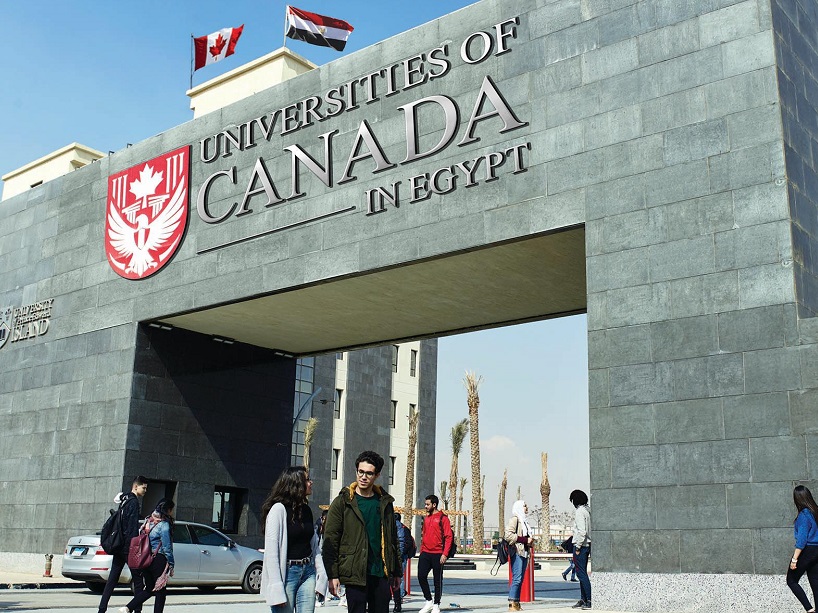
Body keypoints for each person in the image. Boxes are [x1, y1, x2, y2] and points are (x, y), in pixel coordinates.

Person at [322, 450, 402, 613]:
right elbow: (331, 540)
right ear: (356, 471)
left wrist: (397, 572)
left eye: (369, 473)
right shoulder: (342, 502)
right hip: (355, 572)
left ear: (377, 475)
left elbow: (393, 539)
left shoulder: (384, 503)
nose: (363, 477)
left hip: (381, 572)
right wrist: (332, 575)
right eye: (361, 472)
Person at [261, 466, 326, 613]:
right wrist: (277, 587)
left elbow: (314, 547)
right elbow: (271, 554)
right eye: (308, 480)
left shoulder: (307, 510)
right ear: (297, 484)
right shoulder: (278, 510)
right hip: (288, 573)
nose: (311, 483)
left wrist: (321, 574)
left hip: (308, 571)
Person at [98, 476, 147, 613]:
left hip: (118, 545)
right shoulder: (133, 502)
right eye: (143, 488)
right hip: (127, 547)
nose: (145, 491)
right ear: (136, 487)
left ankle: (102, 609)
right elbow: (131, 528)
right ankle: (137, 610)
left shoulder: (124, 500)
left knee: (112, 579)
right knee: (138, 581)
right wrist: (134, 547)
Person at [118, 498, 175, 613]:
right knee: (160, 592)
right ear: (168, 510)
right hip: (158, 559)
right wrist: (171, 563)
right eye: (171, 510)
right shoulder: (164, 525)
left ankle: (128, 607)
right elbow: (167, 547)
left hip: (145, 558)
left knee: (149, 588)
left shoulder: (148, 521)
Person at [417, 494, 453, 613]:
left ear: (434, 505)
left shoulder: (443, 518)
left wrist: (444, 554)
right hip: (425, 553)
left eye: (427, 504)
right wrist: (422, 551)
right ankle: (428, 601)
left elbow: (448, 537)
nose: (425, 506)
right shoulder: (426, 518)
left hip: (438, 554)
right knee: (421, 576)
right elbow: (424, 535)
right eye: (425, 504)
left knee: (437, 580)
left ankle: (437, 604)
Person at [788, 485, 818, 612]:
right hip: (817, 551)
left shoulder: (804, 516)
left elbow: (801, 541)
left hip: (808, 551)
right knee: (815, 582)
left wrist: (795, 559)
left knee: (791, 580)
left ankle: (809, 609)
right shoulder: (815, 512)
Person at [505, 500, 535, 611]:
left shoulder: (524, 521)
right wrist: (525, 539)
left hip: (525, 552)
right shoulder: (515, 519)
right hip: (517, 552)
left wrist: (529, 541)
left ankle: (516, 603)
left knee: (520, 579)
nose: (526, 507)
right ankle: (512, 603)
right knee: (517, 579)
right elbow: (508, 535)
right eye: (524, 505)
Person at [569, 490, 591, 610]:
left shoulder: (579, 512)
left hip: (580, 546)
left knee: (581, 574)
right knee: (581, 573)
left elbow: (582, 531)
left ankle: (589, 599)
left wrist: (577, 546)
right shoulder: (587, 511)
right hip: (587, 545)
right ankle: (583, 599)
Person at [393, 512, 407, 611]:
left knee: (396, 580)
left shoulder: (396, 525)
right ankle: (398, 603)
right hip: (393, 555)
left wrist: (399, 556)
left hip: (393, 556)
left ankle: (398, 602)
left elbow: (401, 541)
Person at [315, 510, 329, 607]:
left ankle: (321, 598)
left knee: (324, 576)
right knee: (321, 576)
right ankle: (320, 597)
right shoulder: (319, 525)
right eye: (322, 519)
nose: (323, 520)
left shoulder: (329, 527)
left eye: (324, 519)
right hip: (319, 553)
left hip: (326, 554)